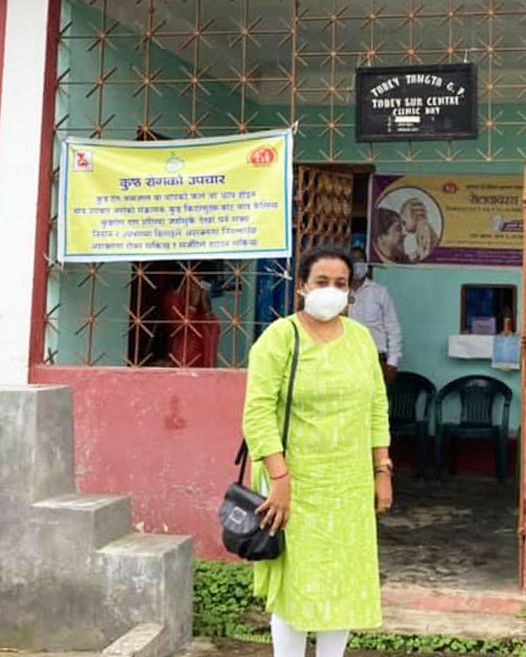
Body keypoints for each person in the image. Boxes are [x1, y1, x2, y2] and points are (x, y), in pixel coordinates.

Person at [242, 245, 393, 657]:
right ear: (302, 287)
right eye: (322, 281)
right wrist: (279, 479)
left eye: (340, 283)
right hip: (292, 483)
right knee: (297, 582)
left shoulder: (361, 339)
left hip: (349, 484)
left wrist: (382, 470)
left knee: (343, 581)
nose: (331, 290)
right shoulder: (280, 337)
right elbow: (257, 413)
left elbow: (376, 406)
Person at [348, 246, 403, 383]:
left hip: (376, 358)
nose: (356, 264)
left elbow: (393, 328)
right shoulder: (339, 292)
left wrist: (392, 362)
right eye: (352, 260)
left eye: (360, 260)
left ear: (366, 264)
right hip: (347, 358)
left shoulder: (379, 292)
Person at [160, 266, 221, 368]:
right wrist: (192, 306)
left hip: (203, 354)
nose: (198, 286)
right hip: (183, 355)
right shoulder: (173, 298)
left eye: (202, 282)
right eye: (196, 280)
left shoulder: (202, 306)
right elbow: (177, 328)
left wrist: (206, 306)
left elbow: (214, 329)